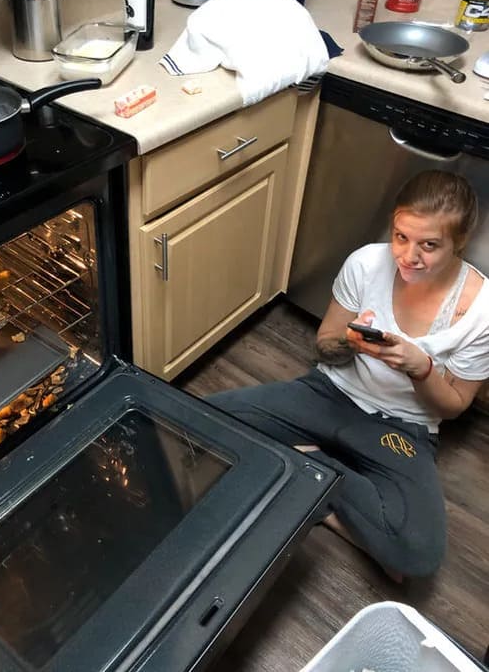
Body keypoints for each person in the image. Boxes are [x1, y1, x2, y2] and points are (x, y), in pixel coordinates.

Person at [208, 170, 489, 579]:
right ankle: (336, 497)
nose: (408, 256)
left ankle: (309, 466)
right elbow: (324, 346)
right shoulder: (366, 263)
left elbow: (454, 406)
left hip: (401, 426)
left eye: (429, 245)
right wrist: (351, 343)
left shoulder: (481, 310)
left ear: (459, 242)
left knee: (418, 555)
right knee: (201, 419)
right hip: (330, 392)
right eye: (401, 237)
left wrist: (421, 369)